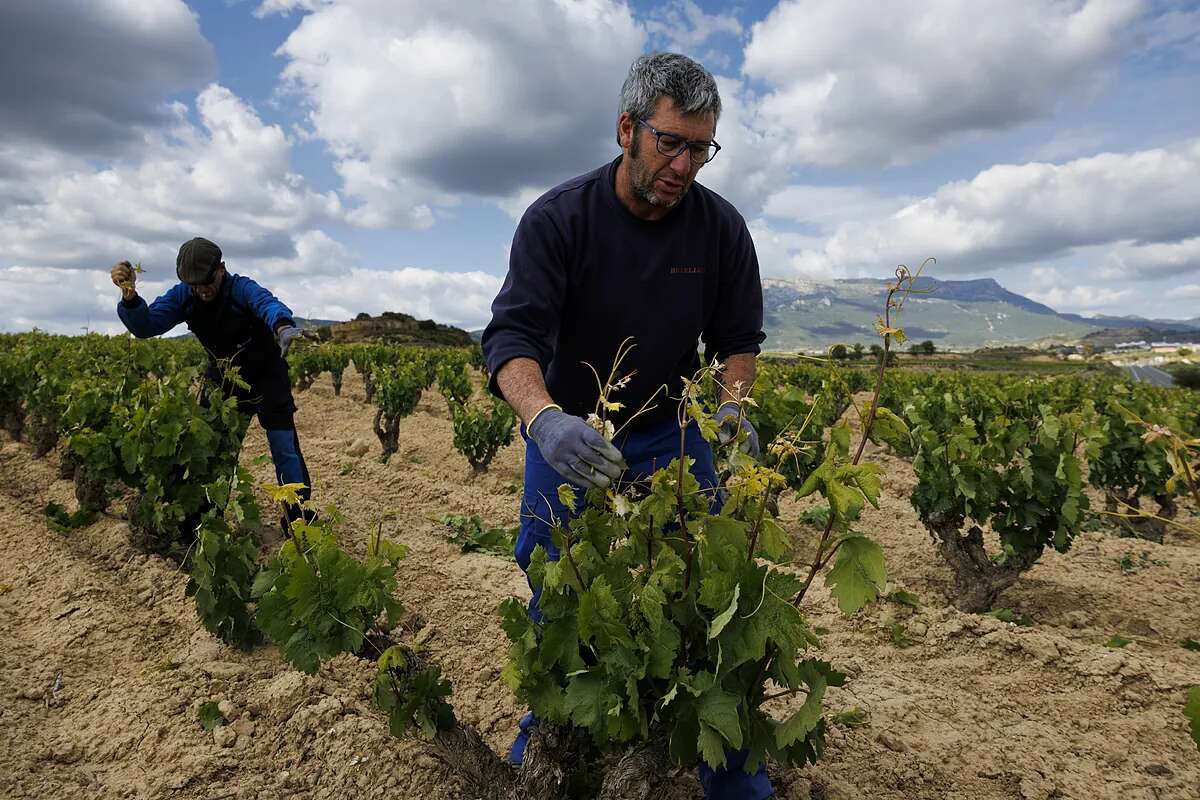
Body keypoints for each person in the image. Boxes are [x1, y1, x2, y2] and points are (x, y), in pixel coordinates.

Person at [481, 53, 769, 799]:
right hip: (570, 430)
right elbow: (511, 340)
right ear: (625, 129)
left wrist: (732, 406)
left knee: (703, 593)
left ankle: (725, 769)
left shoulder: (721, 230)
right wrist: (544, 421)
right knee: (556, 580)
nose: (684, 164)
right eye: (670, 142)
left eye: (700, 149)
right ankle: (549, 737)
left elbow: (738, 340)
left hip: (676, 435)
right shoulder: (558, 220)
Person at [110, 236, 313, 521]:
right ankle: (206, 520)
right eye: (194, 285)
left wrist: (283, 327)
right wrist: (130, 298)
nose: (202, 290)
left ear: (222, 269)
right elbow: (147, 325)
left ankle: (299, 519)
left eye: (207, 282)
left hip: (268, 376)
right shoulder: (184, 295)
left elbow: (267, 304)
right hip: (223, 381)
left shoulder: (241, 288)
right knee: (215, 453)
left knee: (284, 450)